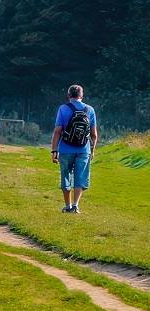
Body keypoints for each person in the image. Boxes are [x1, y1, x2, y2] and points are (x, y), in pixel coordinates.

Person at [50, 84, 99, 214]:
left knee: (66, 176)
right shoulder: (90, 110)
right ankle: (76, 205)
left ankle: (67, 205)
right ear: (81, 95)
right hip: (84, 149)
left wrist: (54, 150)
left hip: (65, 149)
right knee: (80, 176)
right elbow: (94, 135)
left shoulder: (63, 109)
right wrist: (92, 151)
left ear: (69, 95)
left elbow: (57, 132)